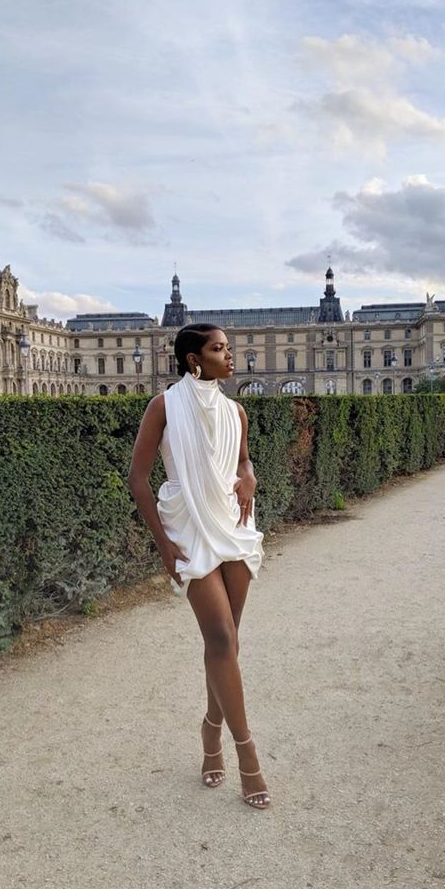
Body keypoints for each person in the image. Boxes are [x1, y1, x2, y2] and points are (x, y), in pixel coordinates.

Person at [128, 324, 270, 809]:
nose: (231, 356)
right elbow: (139, 479)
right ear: (193, 359)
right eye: (219, 349)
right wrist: (164, 546)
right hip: (188, 530)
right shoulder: (163, 407)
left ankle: (210, 729)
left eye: (229, 348)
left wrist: (249, 478)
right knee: (223, 639)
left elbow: (244, 463)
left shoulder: (236, 411)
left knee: (225, 642)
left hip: (232, 527)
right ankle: (246, 753)